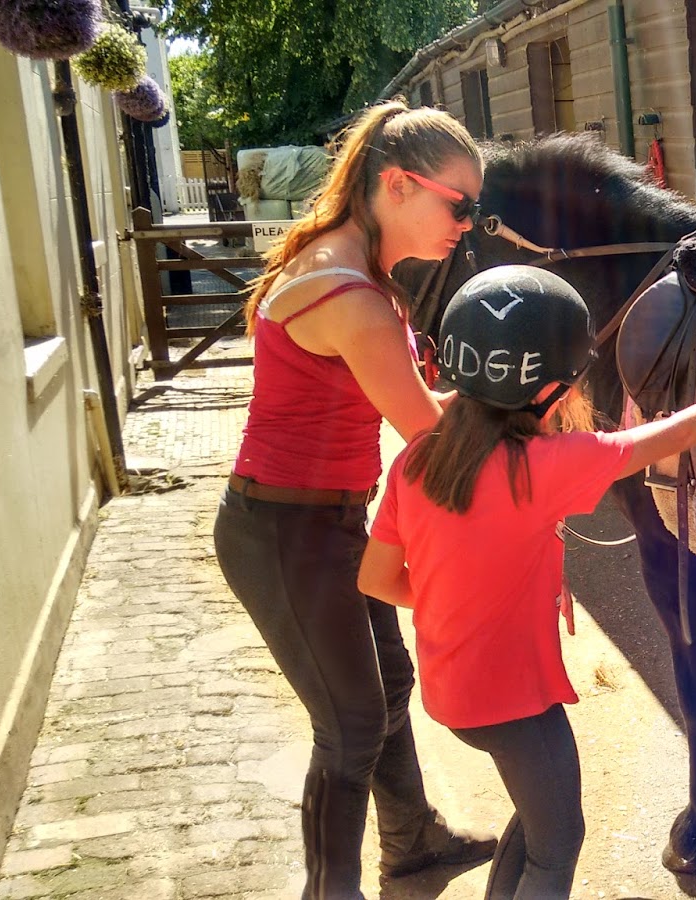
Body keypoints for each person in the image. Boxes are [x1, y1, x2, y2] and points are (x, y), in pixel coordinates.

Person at [357, 265, 696, 898]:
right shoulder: (547, 465)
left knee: (534, 817)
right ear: (546, 391)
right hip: (515, 704)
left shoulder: (417, 458)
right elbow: (669, 435)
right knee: (558, 842)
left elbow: (378, 578)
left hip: (454, 693)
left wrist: (481, 592)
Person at [212, 99, 496, 899]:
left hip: (325, 520)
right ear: (400, 186)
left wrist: (508, 396)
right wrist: (536, 415)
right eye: (460, 204)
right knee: (349, 726)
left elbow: (414, 404)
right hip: (284, 532)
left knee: (386, 685)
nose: (469, 224)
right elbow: (427, 436)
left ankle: (411, 842)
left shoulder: (359, 271)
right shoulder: (354, 297)